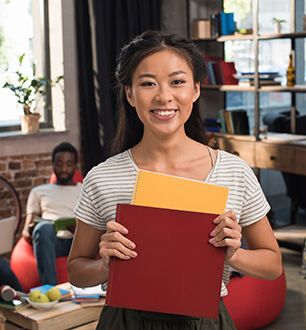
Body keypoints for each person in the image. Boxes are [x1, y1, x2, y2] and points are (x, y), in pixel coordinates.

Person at [68, 30, 282, 329]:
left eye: (177, 81)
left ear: (195, 89)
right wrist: (105, 264)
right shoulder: (103, 177)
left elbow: (273, 266)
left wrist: (234, 255)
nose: (163, 96)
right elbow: (76, 271)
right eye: (148, 83)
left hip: (205, 321)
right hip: (124, 321)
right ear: (129, 93)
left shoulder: (234, 171)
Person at [22, 142, 82, 286]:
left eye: (68, 164)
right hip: (50, 241)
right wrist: (30, 230)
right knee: (43, 228)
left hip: (77, 242)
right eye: (59, 164)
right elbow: (25, 231)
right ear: (53, 164)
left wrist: (80, 230)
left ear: (75, 165)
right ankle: (50, 289)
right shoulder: (38, 192)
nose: (64, 169)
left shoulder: (85, 190)